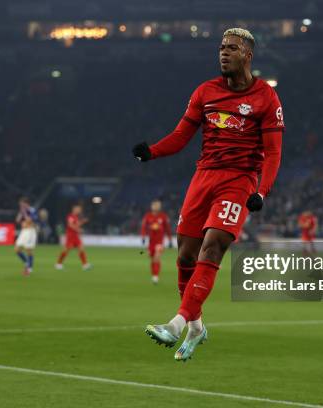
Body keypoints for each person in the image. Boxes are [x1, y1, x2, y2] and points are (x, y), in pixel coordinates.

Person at [132, 28, 284, 361]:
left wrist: (262, 190)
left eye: (232, 48)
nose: (224, 53)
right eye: (221, 48)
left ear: (248, 55)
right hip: (203, 178)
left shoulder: (266, 98)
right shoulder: (205, 92)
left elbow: (273, 153)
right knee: (186, 255)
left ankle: (176, 324)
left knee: (212, 245)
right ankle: (197, 327)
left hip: (239, 181)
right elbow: (181, 135)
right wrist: (152, 152)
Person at [140, 200, 173, 284]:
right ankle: (153, 275)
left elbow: (168, 229)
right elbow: (143, 227)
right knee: (152, 259)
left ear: (160, 207)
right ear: (152, 206)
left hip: (159, 242)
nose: (156, 207)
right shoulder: (148, 216)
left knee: (156, 258)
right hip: (151, 242)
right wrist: (143, 237)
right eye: (154, 205)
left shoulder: (163, 216)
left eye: (158, 205)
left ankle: (155, 277)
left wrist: (170, 240)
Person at [55, 204, 92, 271]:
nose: (79, 211)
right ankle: (58, 264)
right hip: (71, 235)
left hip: (76, 235)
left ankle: (85, 265)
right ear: (74, 209)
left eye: (80, 209)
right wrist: (78, 229)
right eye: (78, 209)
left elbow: (76, 224)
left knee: (81, 248)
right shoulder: (70, 216)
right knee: (66, 249)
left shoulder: (76, 217)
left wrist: (82, 222)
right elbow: (70, 225)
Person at [15, 197, 39, 275]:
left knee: (28, 250)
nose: (21, 206)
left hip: (30, 231)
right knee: (17, 250)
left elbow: (31, 220)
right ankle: (27, 263)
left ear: (26, 204)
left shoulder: (32, 210)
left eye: (22, 204)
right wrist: (21, 214)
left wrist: (25, 216)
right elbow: (17, 220)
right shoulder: (22, 211)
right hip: (24, 231)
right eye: (20, 204)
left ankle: (29, 268)